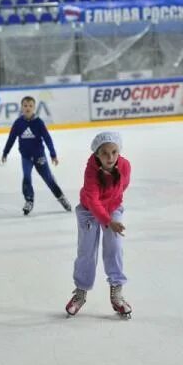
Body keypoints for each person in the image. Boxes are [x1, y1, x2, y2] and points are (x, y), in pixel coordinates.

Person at [65, 132, 132, 318]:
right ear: (97, 154)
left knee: (115, 247)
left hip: (112, 209)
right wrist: (108, 221)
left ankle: (117, 292)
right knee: (86, 251)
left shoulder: (125, 166)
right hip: (88, 210)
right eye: (104, 153)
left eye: (114, 152)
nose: (110, 157)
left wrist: (112, 215)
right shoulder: (91, 171)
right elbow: (93, 201)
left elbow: (122, 187)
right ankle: (80, 292)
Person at [2, 96, 71, 215]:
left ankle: (61, 197)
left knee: (48, 179)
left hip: (39, 156)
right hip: (26, 157)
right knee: (27, 177)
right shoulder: (18, 123)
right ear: (21, 108)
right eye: (25, 105)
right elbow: (11, 138)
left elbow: (47, 138)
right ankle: (29, 200)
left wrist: (53, 154)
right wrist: (5, 152)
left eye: (30, 106)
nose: (27, 108)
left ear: (34, 108)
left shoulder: (38, 122)